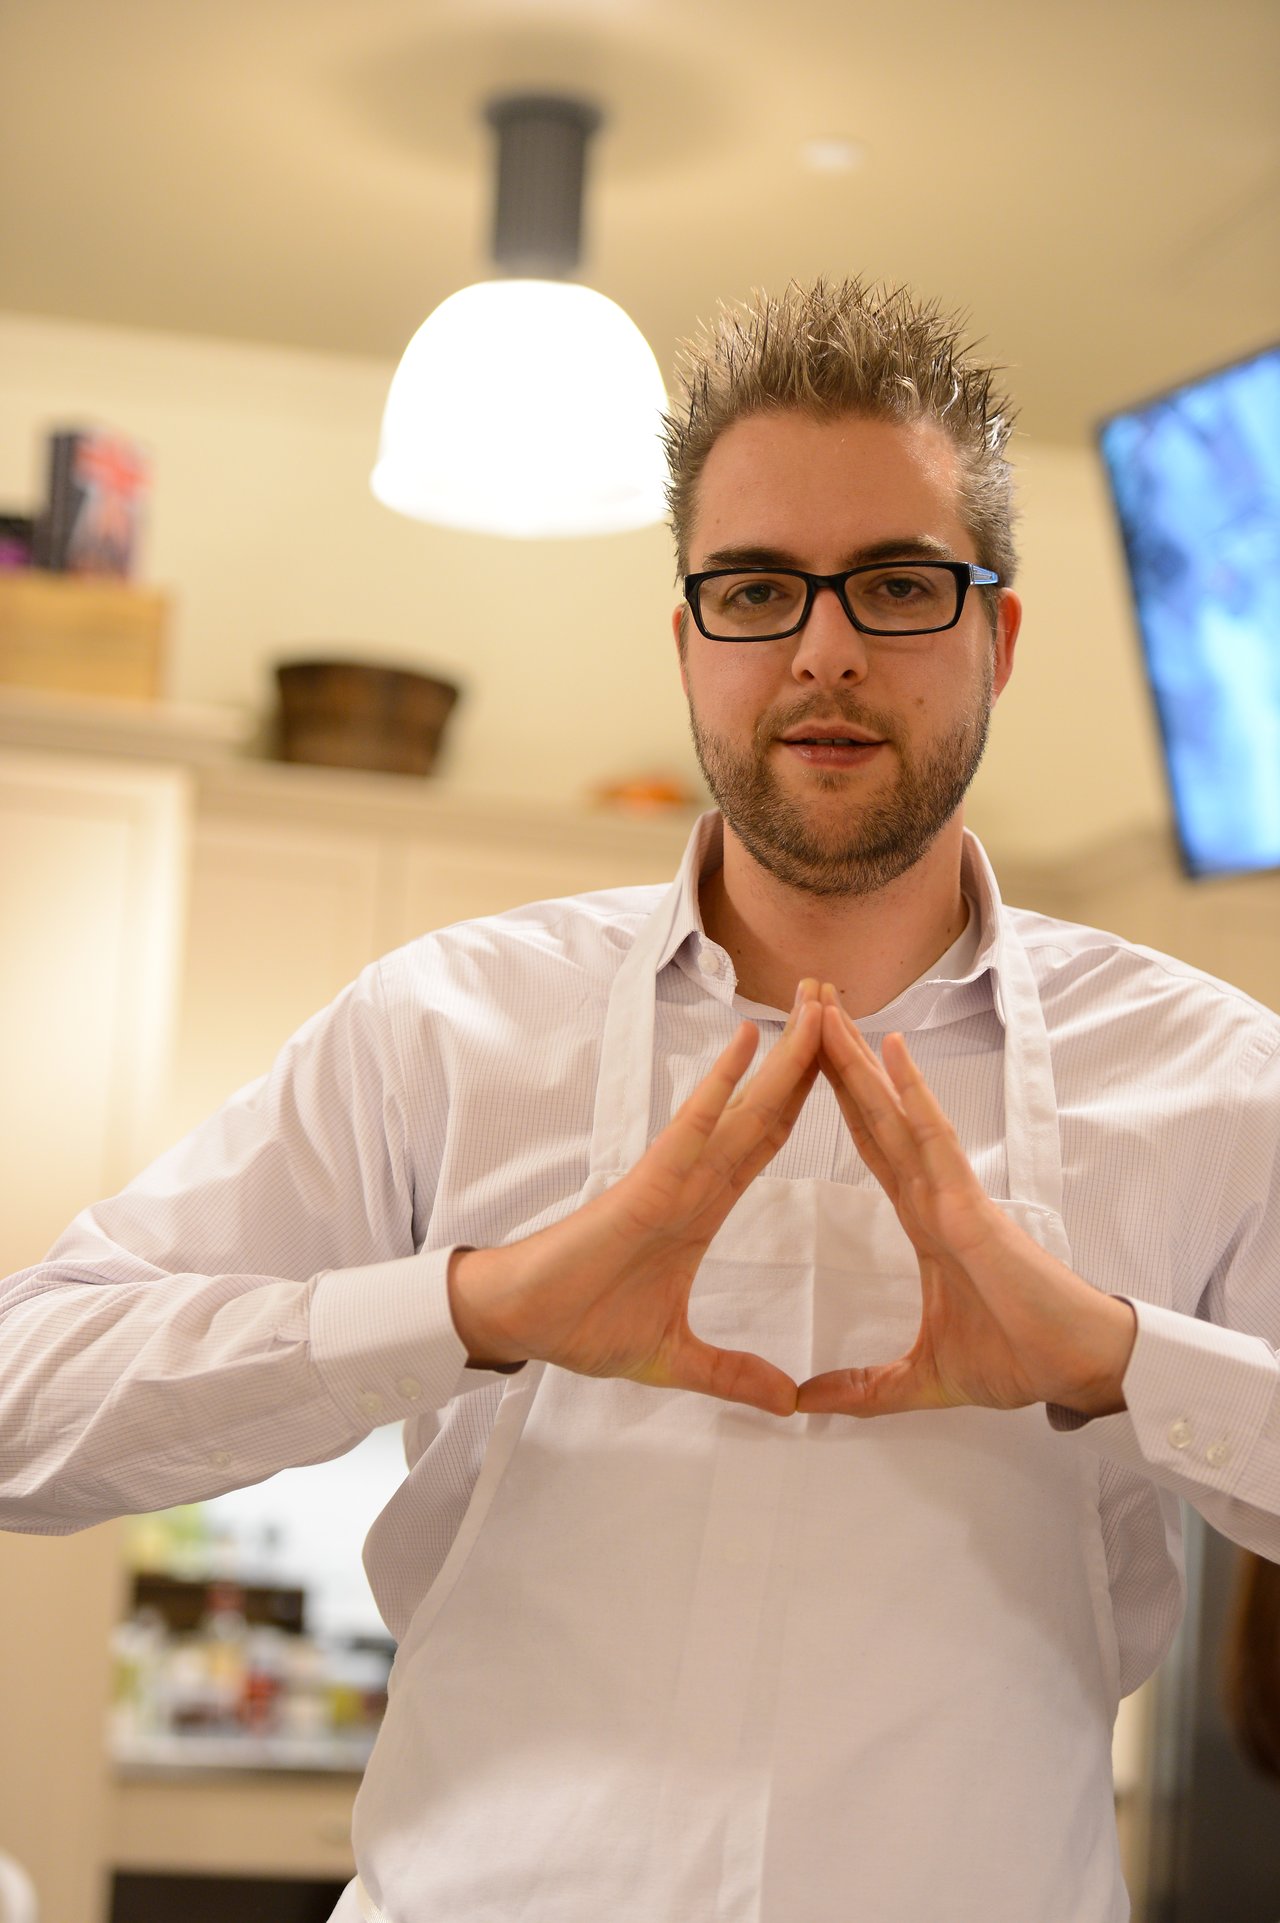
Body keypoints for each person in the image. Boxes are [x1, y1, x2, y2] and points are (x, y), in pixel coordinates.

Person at [2, 278, 1278, 1923]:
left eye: (896, 583)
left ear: (996, 635)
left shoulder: (1215, 1079)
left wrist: (1114, 1361)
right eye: (756, 588)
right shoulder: (443, 1033)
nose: (823, 648)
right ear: (690, 640)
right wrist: (471, 1309)